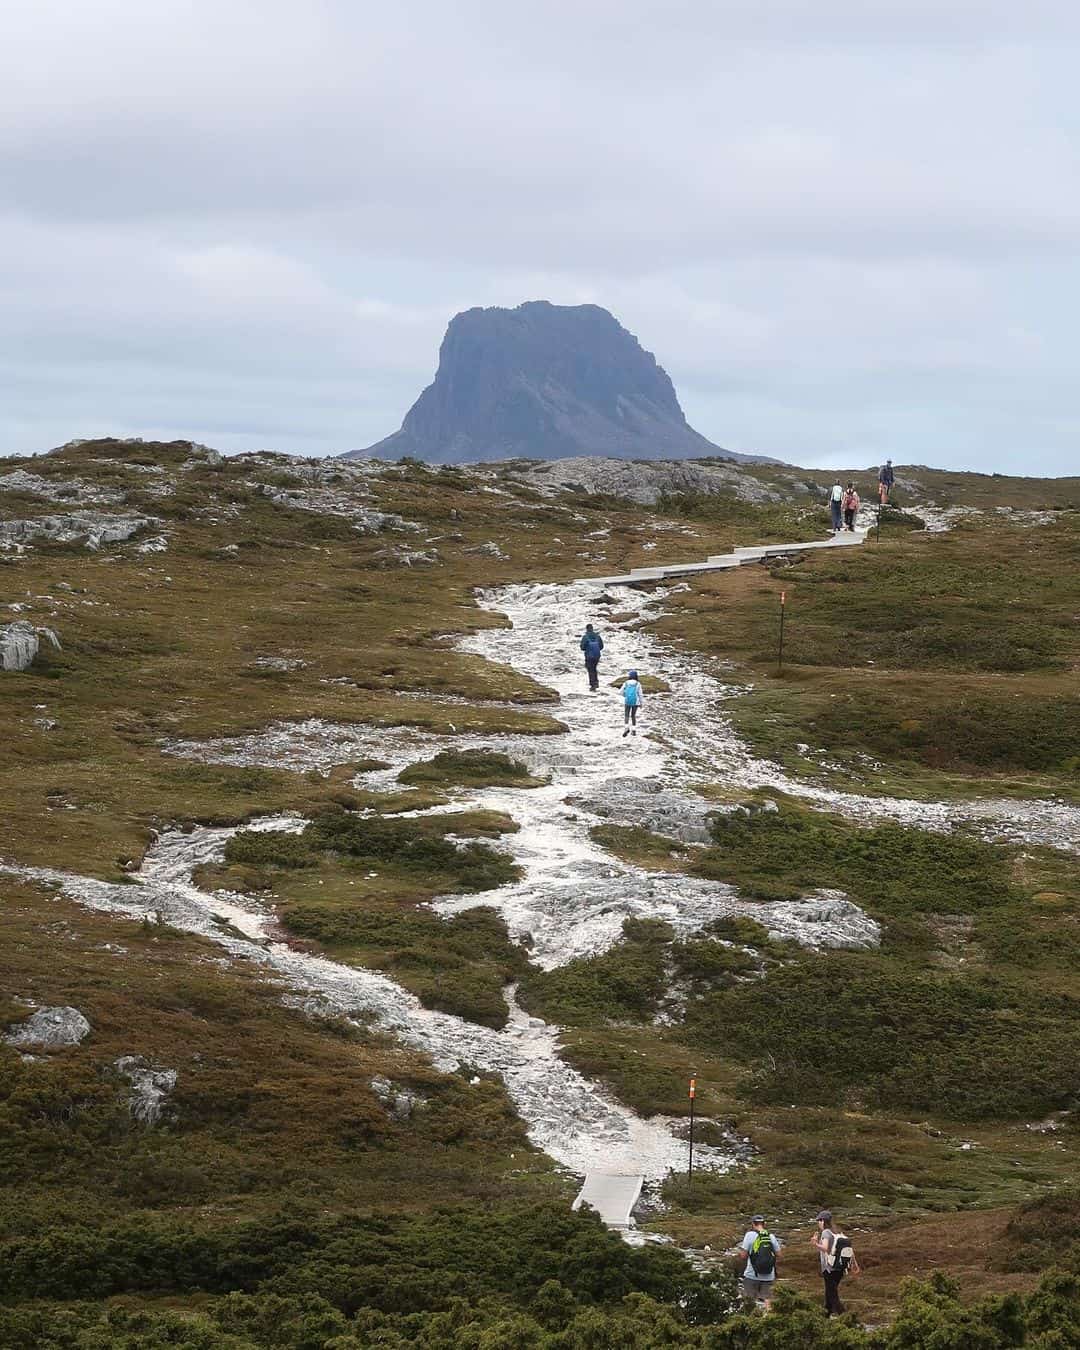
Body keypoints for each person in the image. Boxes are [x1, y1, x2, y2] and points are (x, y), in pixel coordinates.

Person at [811, 1209, 860, 1317]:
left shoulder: (825, 1232)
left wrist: (815, 1243)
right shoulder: (838, 1233)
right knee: (829, 1295)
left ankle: (846, 1318)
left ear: (823, 1221)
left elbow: (825, 1248)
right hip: (840, 1268)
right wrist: (854, 1264)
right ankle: (825, 1317)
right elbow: (849, 1250)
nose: (818, 1223)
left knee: (833, 1296)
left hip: (829, 1269)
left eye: (819, 1221)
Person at [738, 1214, 782, 1312]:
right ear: (764, 1224)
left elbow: (743, 1256)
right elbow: (779, 1254)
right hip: (769, 1275)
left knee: (749, 1303)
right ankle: (768, 1320)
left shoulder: (749, 1235)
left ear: (753, 1224)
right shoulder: (771, 1236)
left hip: (751, 1275)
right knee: (768, 1301)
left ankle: (750, 1322)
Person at [579, 624, 603, 691]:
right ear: (592, 628)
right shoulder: (597, 636)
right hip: (597, 655)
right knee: (594, 668)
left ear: (587, 629)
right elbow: (601, 646)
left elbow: (582, 647)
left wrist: (587, 649)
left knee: (590, 669)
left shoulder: (585, 637)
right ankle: (596, 682)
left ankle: (593, 685)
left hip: (589, 656)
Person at [621, 669, 643, 737]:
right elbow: (640, 694)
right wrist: (641, 703)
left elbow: (620, 692)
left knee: (626, 715)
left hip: (627, 701)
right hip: (635, 702)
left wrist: (625, 695)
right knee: (633, 715)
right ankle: (634, 730)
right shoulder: (638, 684)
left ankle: (626, 728)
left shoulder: (626, 683)